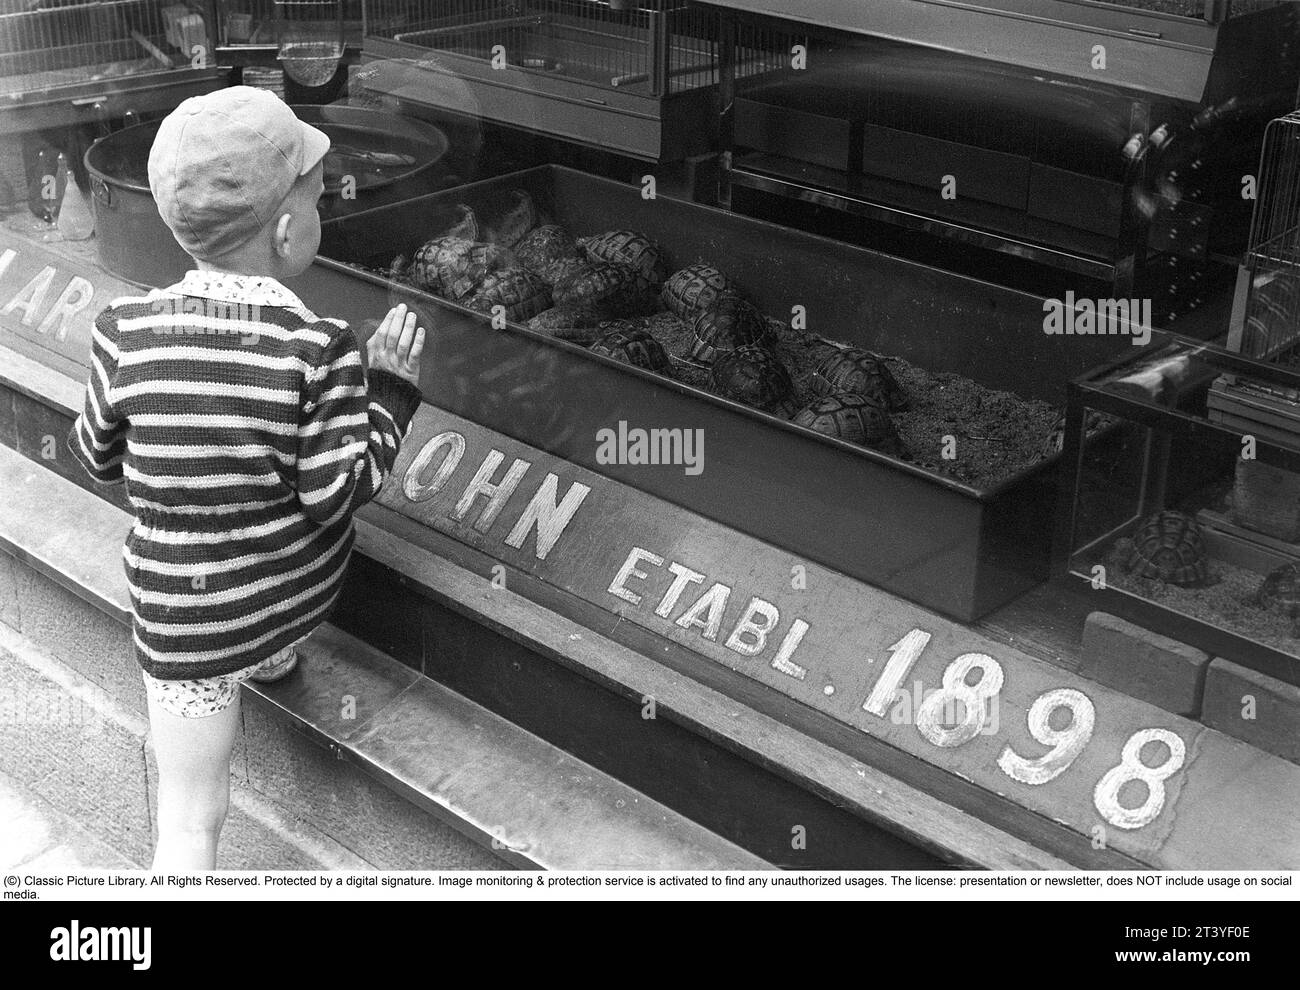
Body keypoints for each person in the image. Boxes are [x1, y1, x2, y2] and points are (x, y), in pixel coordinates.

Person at [67, 87, 427, 870]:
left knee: (190, 817)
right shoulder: (318, 345)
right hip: (287, 598)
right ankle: (268, 650)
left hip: (183, 622)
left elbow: (93, 456)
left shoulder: (123, 332)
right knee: (269, 579)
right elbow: (339, 490)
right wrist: (391, 393)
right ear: (292, 232)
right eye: (320, 199)